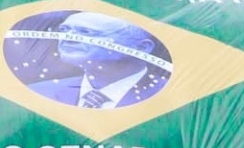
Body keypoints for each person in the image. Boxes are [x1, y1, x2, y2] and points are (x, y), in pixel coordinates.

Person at [25, 12, 170, 108]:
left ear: (142, 47)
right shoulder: (38, 93)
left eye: (86, 32)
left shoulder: (172, 100)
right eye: (64, 30)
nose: (69, 38)